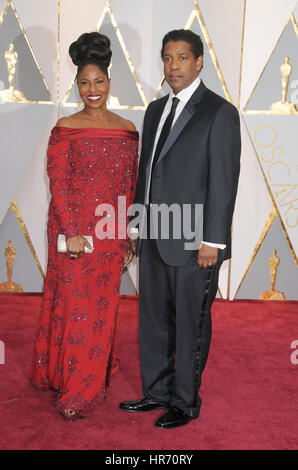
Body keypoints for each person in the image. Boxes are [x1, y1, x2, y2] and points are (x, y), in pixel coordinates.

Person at [120, 30, 241, 429]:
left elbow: (224, 182)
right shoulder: (155, 109)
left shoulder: (219, 112)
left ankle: (185, 402)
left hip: (195, 242)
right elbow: (146, 174)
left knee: (191, 323)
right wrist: (136, 227)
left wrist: (214, 240)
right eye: (168, 58)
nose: (174, 66)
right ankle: (156, 392)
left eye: (182, 58)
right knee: (153, 319)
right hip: (154, 235)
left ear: (199, 61)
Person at [30, 32, 138, 421]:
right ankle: (75, 387)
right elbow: (58, 181)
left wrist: (129, 233)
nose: (92, 90)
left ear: (110, 83)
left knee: (102, 308)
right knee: (75, 307)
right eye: (84, 83)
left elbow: (129, 185)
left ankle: (87, 373)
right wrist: (74, 230)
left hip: (110, 234)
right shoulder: (66, 126)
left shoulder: (127, 129)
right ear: (77, 86)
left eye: (99, 81)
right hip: (71, 231)